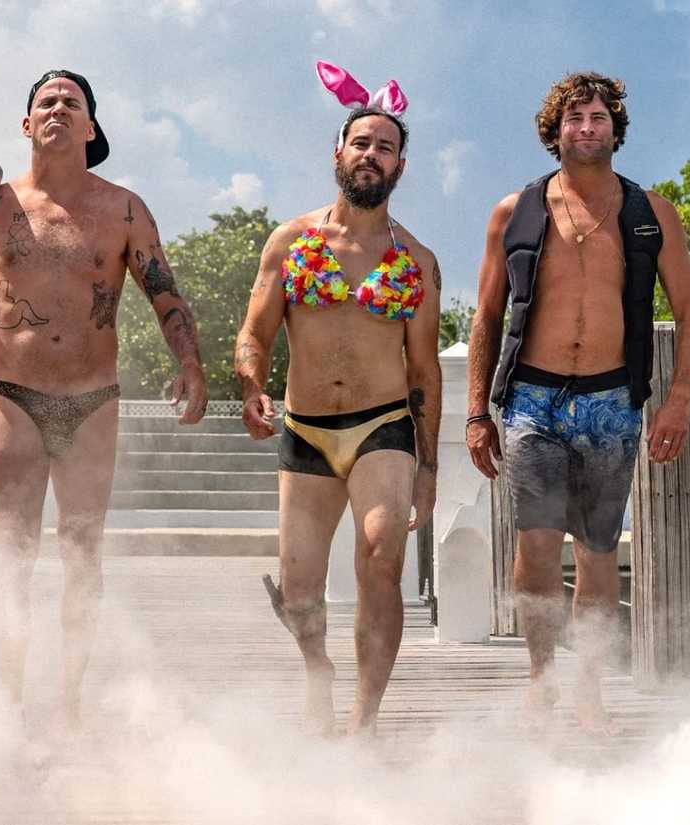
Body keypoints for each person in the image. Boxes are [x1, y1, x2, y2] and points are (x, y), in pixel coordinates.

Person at [0, 69, 208, 727]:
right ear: (26, 126)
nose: (56, 108)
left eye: (70, 102)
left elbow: (164, 293)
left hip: (91, 400)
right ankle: (4, 704)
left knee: (83, 551)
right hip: (11, 394)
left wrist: (190, 363)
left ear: (90, 128)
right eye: (44, 102)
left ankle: (72, 705)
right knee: (11, 554)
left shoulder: (125, 209)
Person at [464, 72, 690, 734]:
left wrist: (678, 396)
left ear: (615, 128)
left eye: (598, 117)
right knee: (537, 543)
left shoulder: (650, 212)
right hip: (533, 399)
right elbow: (485, 318)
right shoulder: (514, 210)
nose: (587, 127)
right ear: (555, 130)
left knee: (598, 547)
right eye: (574, 118)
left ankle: (590, 684)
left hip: (611, 400)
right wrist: (477, 413)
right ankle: (542, 677)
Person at [233, 61, 440, 736]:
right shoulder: (291, 241)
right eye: (362, 143)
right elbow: (254, 334)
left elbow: (424, 372)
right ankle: (317, 670)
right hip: (307, 427)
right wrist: (251, 385)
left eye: (385, 147)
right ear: (338, 153)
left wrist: (429, 470)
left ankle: (365, 717)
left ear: (401, 166)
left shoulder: (417, 260)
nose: (371, 155)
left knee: (382, 555)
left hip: (383, 425)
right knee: (299, 588)